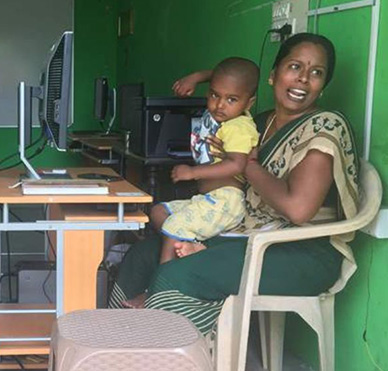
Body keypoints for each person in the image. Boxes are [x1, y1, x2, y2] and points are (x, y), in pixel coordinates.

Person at [109, 32, 360, 337]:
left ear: (323, 86)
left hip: (303, 252)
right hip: (249, 234)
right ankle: (117, 345)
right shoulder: (259, 123)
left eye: (316, 73)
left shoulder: (324, 127)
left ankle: (162, 356)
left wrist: (246, 164)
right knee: (143, 256)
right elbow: (229, 79)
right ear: (273, 75)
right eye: (294, 67)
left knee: (177, 273)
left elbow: (298, 210)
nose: (304, 79)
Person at [150, 57, 260, 265]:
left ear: (249, 102)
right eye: (214, 95)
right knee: (158, 212)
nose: (219, 105)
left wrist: (193, 173)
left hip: (225, 202)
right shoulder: (221, 115)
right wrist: (195, 78)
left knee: (174, 225)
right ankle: (193, 246)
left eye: (231, 99)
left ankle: (163, 281)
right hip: (207, 200)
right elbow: (221, 76)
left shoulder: (239, 126)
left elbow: (237, 164)